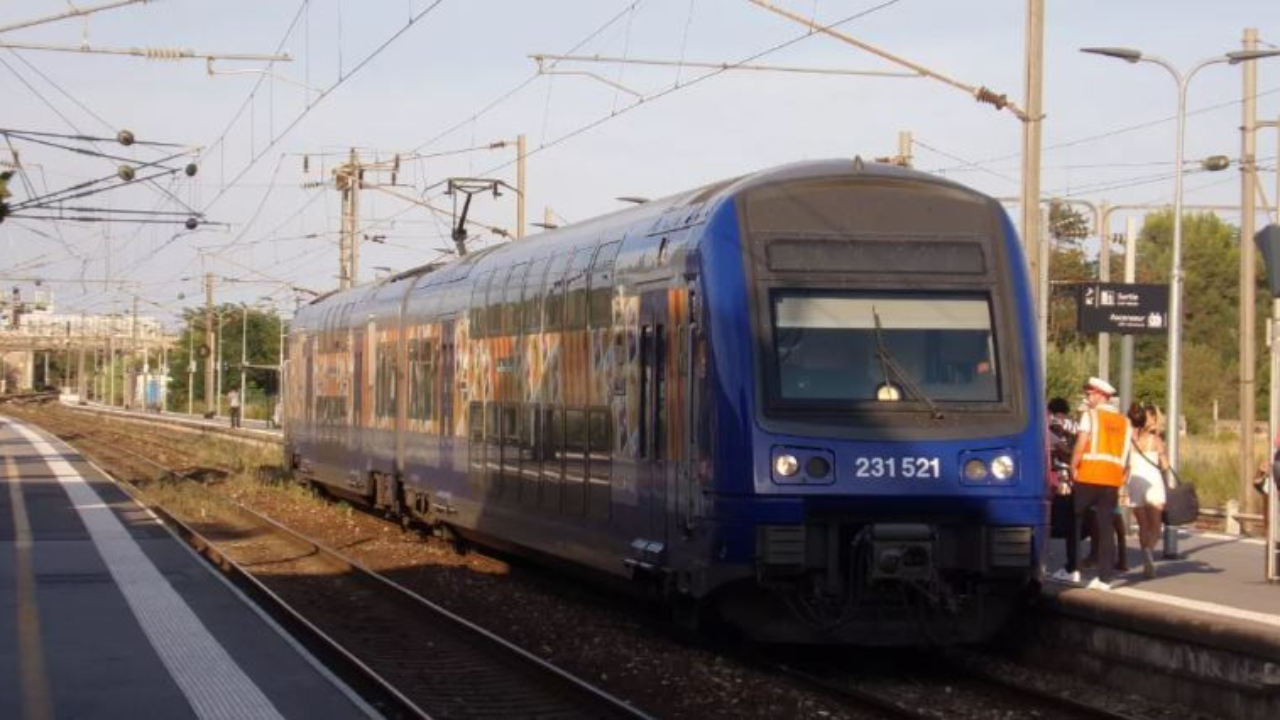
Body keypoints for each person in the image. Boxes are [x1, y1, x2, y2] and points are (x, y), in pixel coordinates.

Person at [1052, 377, 1132, 590]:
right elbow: (1125, 456)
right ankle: (1104, 579)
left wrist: (1073, 467)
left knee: (1074, 521)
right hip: (1112, 480)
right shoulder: (1125, 422)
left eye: (1089, 395)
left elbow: (1080, 445)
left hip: (1088, 476)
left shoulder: (1091, 416)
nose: (1087, 399)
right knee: (1106, 528)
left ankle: (1072, 570)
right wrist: (1121, 480)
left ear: (1099, 395)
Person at [1126, 402, 1168, 579]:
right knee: (1156, 527)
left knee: (1143, 526)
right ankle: (1148, 554)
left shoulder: (1130, 439)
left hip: (1134, 482)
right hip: (1153, 483)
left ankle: (1145, 559)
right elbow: (1165, 466)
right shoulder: (1156, 441)